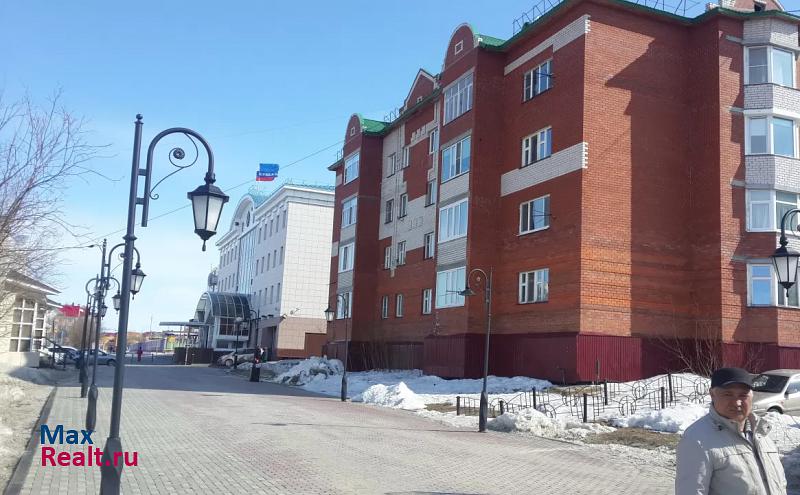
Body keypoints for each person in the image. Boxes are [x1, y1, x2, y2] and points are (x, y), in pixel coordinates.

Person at [676, 367, 787, 495]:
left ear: (752, 396)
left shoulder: (761, 433)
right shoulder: (697, 439)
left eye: (743, 395)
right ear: (712, 394)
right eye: (728, 394)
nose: (737, 402)